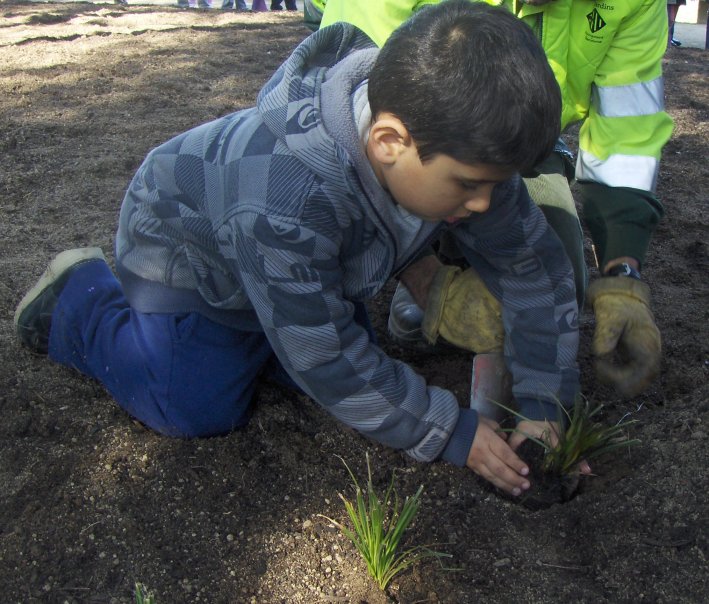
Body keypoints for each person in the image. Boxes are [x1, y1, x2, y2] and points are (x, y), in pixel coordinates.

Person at [15, 1, 583, 497]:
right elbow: (326, 355)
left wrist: (544, 406)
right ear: (389, 142)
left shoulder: (459, 151)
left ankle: (268, 331)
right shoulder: (285, 197)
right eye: (469, 185)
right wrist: (452, 431)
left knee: (333, 365)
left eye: (497, 184)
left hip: (294, 260)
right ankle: (78, 299)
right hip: (187, 258)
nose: (485, 203)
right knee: (192, 405)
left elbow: (533, 272)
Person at [321, 0, 673, 399]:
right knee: (429, 192)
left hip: (522, 153)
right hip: (413, 150)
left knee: (554, 280)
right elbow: (352, 133)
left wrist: (621, 276)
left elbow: (627, 140)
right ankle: (420, 270)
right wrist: (425, 277)